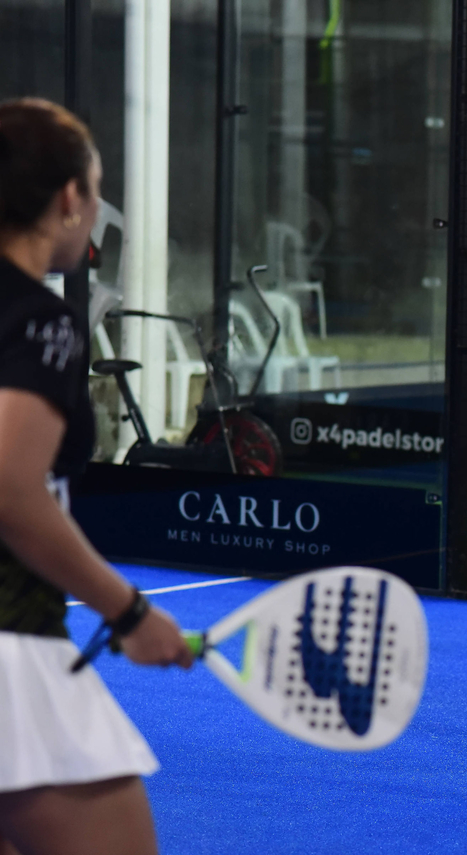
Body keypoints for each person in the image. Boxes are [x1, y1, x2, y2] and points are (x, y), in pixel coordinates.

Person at [0, 98, 194, 855]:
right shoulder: (41, 319)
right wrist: (129, 612)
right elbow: (12, 492)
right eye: (96, 188)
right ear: (69, 197)